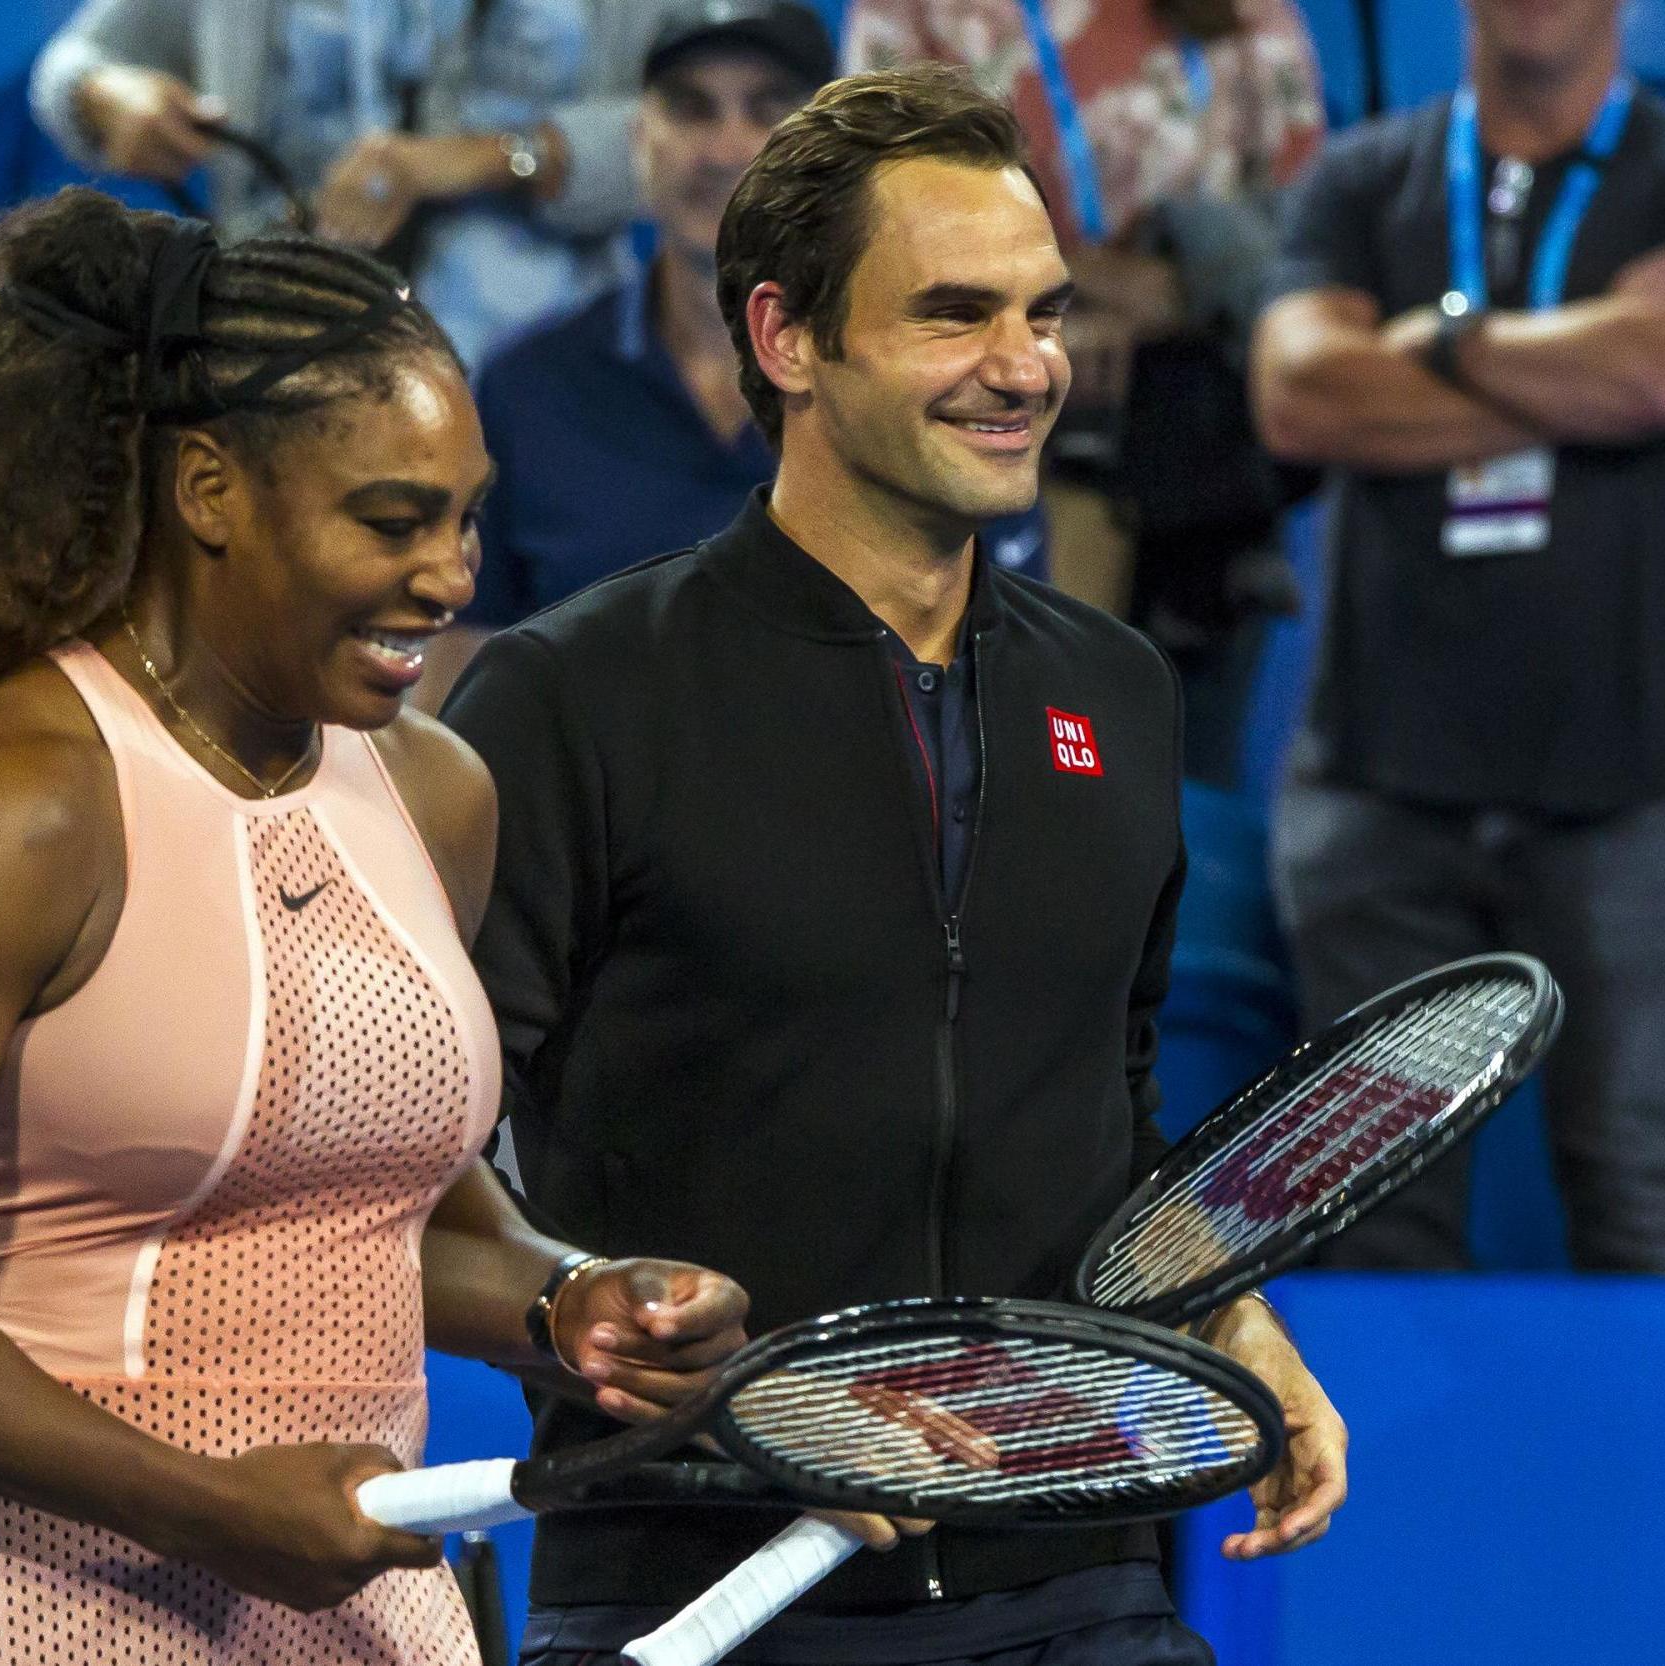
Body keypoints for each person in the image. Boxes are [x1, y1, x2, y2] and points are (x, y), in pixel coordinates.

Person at [0, 190, 752, 1664]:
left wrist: (567, 1296)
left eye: (466, 517)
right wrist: (198, 1503)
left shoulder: (437, 792)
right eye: (390, 519)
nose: (450, 576)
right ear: (208, 490)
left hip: (324, 1609)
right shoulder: (14, 799)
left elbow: (380, 1210)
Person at [443, 65, 1347, 1666]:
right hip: (698, 1586)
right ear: (788, 336)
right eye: (953, 315)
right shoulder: (574, 695)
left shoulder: (1115, 692)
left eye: (1044, 313)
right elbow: (437, 1155)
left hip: (1080, 1582)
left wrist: (1227, 1310)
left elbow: (1103, 1112)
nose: (1025, 369)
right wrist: (728, 1386)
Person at [1252, 0, 1665, 1269]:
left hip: (1628, 784)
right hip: (1382, 782)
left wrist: (1438, 342)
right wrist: (1575, 374)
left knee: (1642, 1196)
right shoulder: (1363, 175)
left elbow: (1649, 372)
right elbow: (1298, 396)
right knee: (1372, 1219)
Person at [845, 0, 1326, 787]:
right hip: (986, 472)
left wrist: (1180, 284)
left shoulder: (1250, 12)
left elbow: (1310, 234)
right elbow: (872, 217)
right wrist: (1047, 303)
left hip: (1200, 494)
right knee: (1003, 800)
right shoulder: (914, 12)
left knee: (1177, 819)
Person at [413, 0, 830, 710]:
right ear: (637, 138)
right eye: (691, 108)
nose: (727, 149)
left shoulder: (897, 384)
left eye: (766, 109)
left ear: (829, 152)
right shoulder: (527, 387)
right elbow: (457, 669)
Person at [31, 0, 687, 366]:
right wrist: (106, 97)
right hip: (276, 358)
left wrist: (496, 156)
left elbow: (729, 127)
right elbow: (72, 65)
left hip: (544, 371)